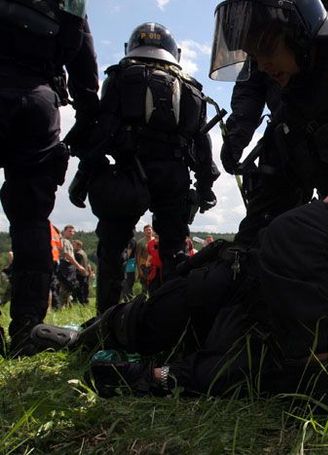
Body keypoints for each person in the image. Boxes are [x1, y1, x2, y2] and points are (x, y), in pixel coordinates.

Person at [34, 0, 328, 401]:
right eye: (251, 54)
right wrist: (232, 264)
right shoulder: (294, 111)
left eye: (266, 48)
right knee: (223, 272)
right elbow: (269, 203)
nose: (262, 65)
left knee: (295, 235)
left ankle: (315, 370)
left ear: (296, 30)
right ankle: (101, 333)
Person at [67, 22, 221, 315]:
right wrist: (205, 186)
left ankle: (108, 320)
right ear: (174, 52)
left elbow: (102, 132)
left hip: (129, 173)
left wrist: (83, 175)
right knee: (175, 249)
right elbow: (202, 144)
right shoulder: (190, 87)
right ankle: (173, 319)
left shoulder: (121, 78)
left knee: (113, 247)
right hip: (174, 175)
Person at [0, 0, 99, 356]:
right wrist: (86, 121)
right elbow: (85, 75)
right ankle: (27, 329)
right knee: (31, 220)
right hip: (38, 103)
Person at [219, 0, 328, 176]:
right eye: (255, 56)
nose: (263, 65)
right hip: (292, 123)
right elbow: (249, 88)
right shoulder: (259, 43)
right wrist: (237, 134)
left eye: (268, 48)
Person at [135, 224, 154, 293]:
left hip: (154, 266)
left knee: (153, 284)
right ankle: (144, 300)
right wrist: (139, 269)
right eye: (146, 230)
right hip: (144, 266)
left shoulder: (156, 241)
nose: (148, 231)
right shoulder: (140, 242)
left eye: (149, 229)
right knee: (145, 285)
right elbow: (138, 256)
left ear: (152, 231)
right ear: (144, 232)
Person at [72, 239, 93, 304]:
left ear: (78, 246)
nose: (72, 246)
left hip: (80, 274)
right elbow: (88, 264)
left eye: (74, 244)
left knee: (79, 289)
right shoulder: (83, 253)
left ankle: (81, 302)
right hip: (85, 273)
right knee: (85, 289)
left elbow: (77, 265)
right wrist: (90, 272)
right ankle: (85, 302)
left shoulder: (77, 254)